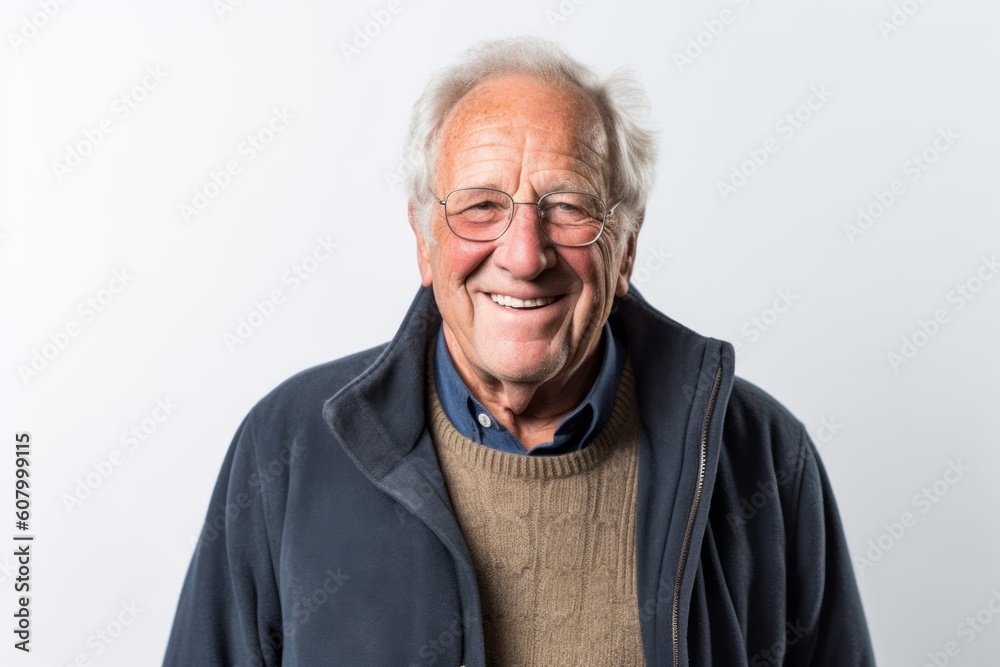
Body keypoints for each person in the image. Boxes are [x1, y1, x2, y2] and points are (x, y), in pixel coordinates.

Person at [163, 37, 876, 666]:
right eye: (480, 206)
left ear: (625, 245)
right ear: (424, 240)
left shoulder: (762, 458)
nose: (525, 255)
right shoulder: (288, 450)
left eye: (568, 206)